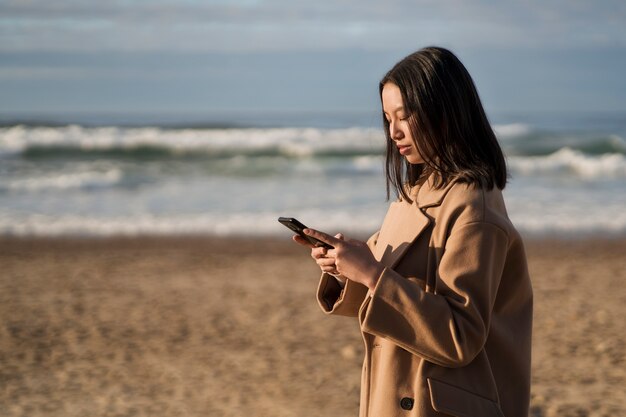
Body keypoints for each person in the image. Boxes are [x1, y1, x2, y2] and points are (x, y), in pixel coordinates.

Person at [292, 46, 533, 417]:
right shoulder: (418, 191)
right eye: (387, 118)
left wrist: (370, 274)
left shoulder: (474, 207)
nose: (394, 132)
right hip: (396, 390)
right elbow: (388, 285)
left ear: (447, 111)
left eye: (405, 116)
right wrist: (343, 265)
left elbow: (460, 336)